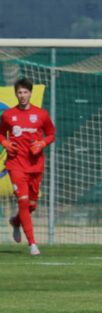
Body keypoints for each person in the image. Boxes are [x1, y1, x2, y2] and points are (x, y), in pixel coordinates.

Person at [0, 77, 55, 256]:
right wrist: (6, 143)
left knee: (31, 206)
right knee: (23, 201)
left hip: (35, 165)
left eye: (25, 92)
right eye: (19, 92)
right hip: (15, 165)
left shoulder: (41, 114)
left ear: (30, 93)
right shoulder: (8, 115)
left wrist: (42, 144)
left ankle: (16, 221)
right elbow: (1, 134)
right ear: (16, 94)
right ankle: (33, 244)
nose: (22, 95)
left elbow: (51, 134)